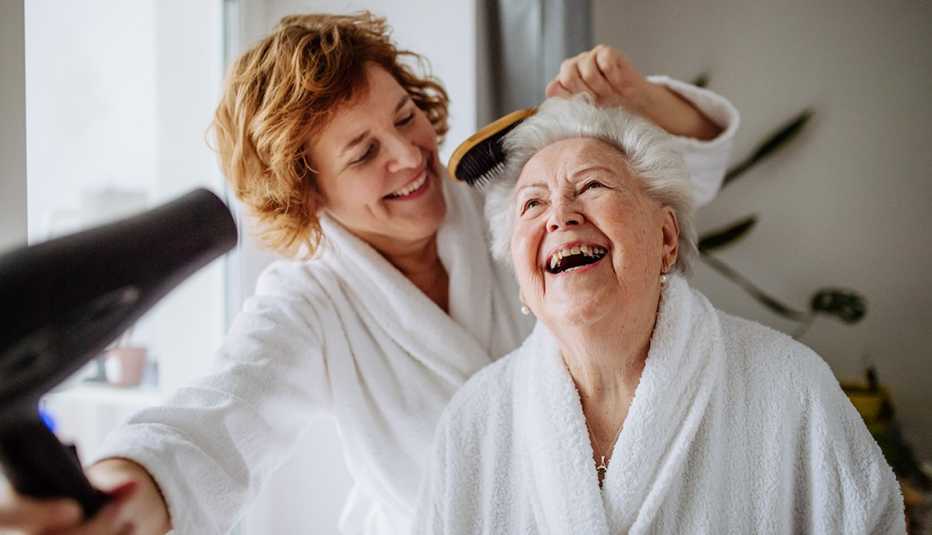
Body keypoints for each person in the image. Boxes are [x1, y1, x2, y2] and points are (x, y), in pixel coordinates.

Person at [0, 12, 739, 535]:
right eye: (362, 153)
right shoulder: (310, 303)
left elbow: (688, 172)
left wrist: (642, 102)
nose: (410, 155)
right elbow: (217, 421)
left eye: (405, 114)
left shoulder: (503, 186)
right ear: (309, 191)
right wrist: (123, 487)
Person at [412, 96, 905, 534]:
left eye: (591, 186)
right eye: (532, 203)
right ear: (522, 278)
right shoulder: (473, 423)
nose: (560, 215)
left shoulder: (791, 387)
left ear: (666, 239)